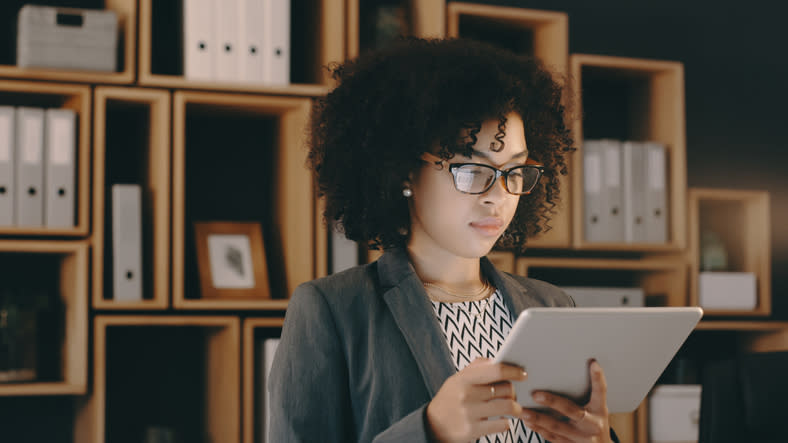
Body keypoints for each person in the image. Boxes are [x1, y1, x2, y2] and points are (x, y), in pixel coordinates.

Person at [269, 37, 619, 443]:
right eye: (472, 171)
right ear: (402, 172)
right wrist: (430, 431)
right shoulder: (333, 311)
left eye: (515, 172)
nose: (498, 197)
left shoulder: (554, 305)